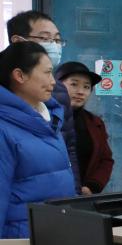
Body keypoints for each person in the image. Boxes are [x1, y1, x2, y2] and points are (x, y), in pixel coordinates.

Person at [0, 42, 76, 238]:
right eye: (47, 73)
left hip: (54, 234)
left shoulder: (50, 120)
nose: (53, 82)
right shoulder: (4, 128)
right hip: (20, 241)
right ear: (20, 76)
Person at [6, 10, 79, 190]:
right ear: (18, 41)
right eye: (45, 38)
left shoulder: (59, 91)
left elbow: (68, 146)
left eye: (57, 40)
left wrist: (75, 191)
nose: (53, 45)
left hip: (57, 199)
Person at [56, 61, 114, 195]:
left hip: (84, 197)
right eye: (74, 84)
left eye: (87, 87)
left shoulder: (95, 123)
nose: (80, 92)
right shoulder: (45, 118)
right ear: (56, 85)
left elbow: (105, 159)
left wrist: (92, 186)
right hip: (52, 196)